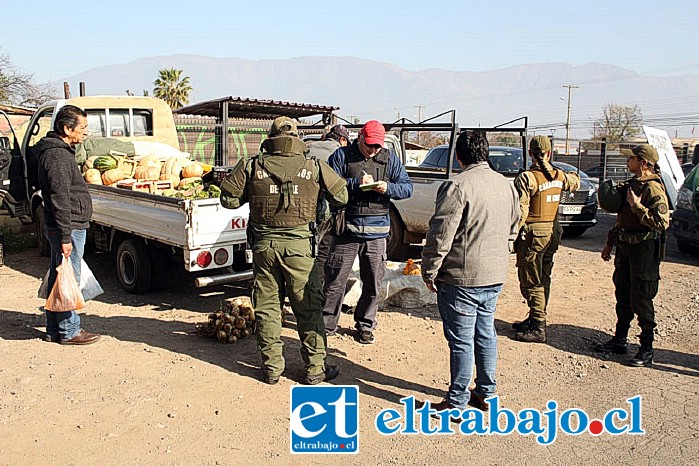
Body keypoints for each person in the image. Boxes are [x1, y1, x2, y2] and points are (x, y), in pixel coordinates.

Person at [219, 116, 348, 385]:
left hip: (264, 249)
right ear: (297, 137)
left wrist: (253, 194)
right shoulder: (314, 166)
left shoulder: (253, 165)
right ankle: (315, 369)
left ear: (272, 137)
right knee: (308, 308)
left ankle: (272, 369)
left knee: (267, 309)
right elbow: (343, 196)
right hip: (301, 249)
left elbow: (228, 199)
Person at [419, 130, 520, 415]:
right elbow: (515, 225)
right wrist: (502, 251)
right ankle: (486, 393)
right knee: (485, 332)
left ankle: (457, 400)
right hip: (494, 274)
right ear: (485, 152)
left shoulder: (458, 186)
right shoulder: (506, 185)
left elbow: (440, 234)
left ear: (458, 156)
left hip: (462, 278)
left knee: (462, 340)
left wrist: (429, 270)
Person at [322, 120, 413, 343]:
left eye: (377, 147)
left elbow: (407, 188)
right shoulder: (341, 156)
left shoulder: (390, 159)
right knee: (335, 281)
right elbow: (328, 185)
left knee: (373, 283)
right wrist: (354, 184)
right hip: (346, 231)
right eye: (369, 145)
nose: (373, 151)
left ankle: (365, 324)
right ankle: (326, 324)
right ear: (360, 137)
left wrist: (387, 188)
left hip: (377, 234)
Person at [595, 144, 669, 367]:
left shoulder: (653, 189)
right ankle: (620, 339)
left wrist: (638, 206)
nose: (628, 162)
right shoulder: (631, 184)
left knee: (642, 298)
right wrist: (609, 243)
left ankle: (647, 349)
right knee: (623, 294)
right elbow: (622, 220)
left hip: (644, 252)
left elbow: (662, 222)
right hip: (625, 249)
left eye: (632, 159)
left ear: (643, 162)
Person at [36, 104, 100, 345]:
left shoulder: (57, 152)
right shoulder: (58, 156)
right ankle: (69, 329)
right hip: (68, 225)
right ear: (66, 128)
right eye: (82, 128)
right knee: (68, 278)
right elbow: (59, 198)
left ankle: (55, 328)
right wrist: (64, 237)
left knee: (59, 275)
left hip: (66, 224)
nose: (85, 133)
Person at [512, 135, 579, 343]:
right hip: (553, 231)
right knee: (544, 275)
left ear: (530, 154)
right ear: (549, 153)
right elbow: (575, 182)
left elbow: (521, 210)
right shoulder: (559, 176)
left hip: (533, 233)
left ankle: (538, 325)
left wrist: (513, 234)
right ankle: (535, 318)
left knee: (531, 278)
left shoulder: (527, 178)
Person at [307, 124, 351, 287]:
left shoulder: (308, 147)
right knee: (323, 252)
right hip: (325, 210)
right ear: (342, 139)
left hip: (301, 209)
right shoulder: (341, 154)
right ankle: (317, 291)